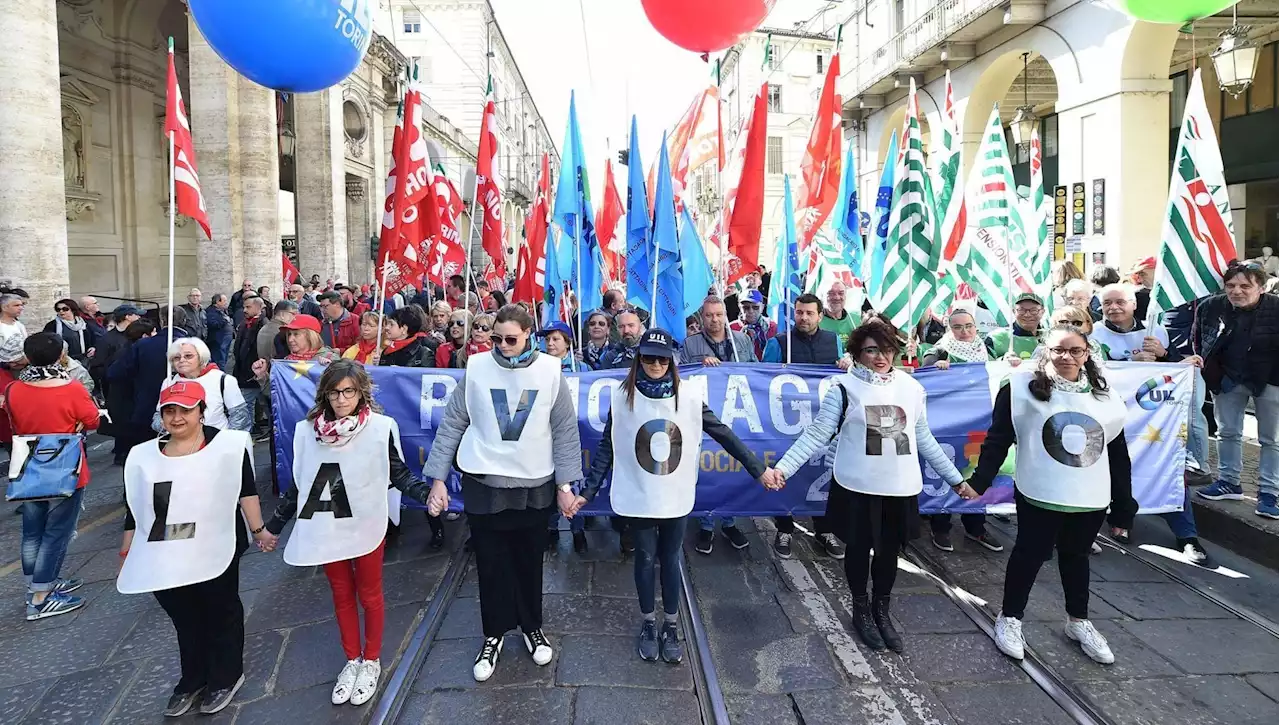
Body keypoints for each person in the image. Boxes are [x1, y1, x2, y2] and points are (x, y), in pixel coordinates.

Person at [772, 319, 973, 652]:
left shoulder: (911, 388)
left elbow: (923, 438)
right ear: (857, 353)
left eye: (887, 349)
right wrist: (783, 469)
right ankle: (861, 607)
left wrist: (956, 480)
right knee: (858, 548)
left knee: (888, 552)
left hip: (899, 486)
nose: (881, 357)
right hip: (858, 486)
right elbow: (818, 434)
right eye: (871, 350)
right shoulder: (844, 388)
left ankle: (882, 608)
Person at [577, 329, 769, 662]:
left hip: (674, 494)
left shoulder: (690, 397)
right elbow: (608, 448)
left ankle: (670, 624)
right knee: (644, 557)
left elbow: (724, 434)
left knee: (670, 558)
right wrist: (587, 493)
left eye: (661, 358)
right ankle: (648, 622)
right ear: (639, 359)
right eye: (648, 357)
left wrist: (758, 469)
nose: (655, 364)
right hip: (639, 494)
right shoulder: (622, 398)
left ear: (671, 361)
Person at [422, 304, 583, 682]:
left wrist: (565, 486)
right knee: (491, 565)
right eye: (496, 338)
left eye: (511, 339)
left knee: (529, 561)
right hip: (485, 485)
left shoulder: (550, 371)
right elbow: (452, 423)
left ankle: (532, 627)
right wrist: (438, 479)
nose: (503, 345)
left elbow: (563, 430)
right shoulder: (477, 368)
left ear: (529, 335)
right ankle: (493, 634)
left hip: (533, 486)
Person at [261, 361, 434, 705]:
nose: (341, 399)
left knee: (369, 594)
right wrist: (274, 527)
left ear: (361, 393)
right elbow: (301, 484)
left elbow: (397, 473)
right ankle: (351, 659)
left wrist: (427, 496)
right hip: (326, 525)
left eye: (348, 392)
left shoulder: (379, 428)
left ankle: (371, 660)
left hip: (365, 523)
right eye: (334, 392)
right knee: (341, 593)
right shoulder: (307, 431)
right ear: (325, 393)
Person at [967, 324, 1136, 665]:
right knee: (1029, 554)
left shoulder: (1105, 397)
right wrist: (980, 481)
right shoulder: (1020, 388)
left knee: (1077, 557)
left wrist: (1123, 508)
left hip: (1089, 494)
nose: (1067, 357)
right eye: (1059, 350)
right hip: (1040, 490)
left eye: (1075, 350)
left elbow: (1117, 454)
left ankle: (1078, 620)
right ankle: (1010, 618)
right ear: (1047, 351)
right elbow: (999, 437)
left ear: (1087, 354)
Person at [117, 382, 269, 716]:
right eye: (169, 410)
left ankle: (226, 676)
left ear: (201, 410)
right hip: (163, 549)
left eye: (185, 409)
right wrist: (127, 552)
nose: (177, 417)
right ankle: (193, 677)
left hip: (215, 544)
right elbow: (135, 507)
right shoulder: (143, 455)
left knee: (219, 609)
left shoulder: (228, 446)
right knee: (184, 616)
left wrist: (259, 530)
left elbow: (246, 491)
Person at [3, 332, 101, 620]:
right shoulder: (71, 388)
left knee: (32, 530)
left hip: (28, 465)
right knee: (56, 532)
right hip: (64, 465)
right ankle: (42, 597)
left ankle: (36, 585)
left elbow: (15, 420)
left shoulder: (14, 389)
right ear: (61, 355)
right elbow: (92, 419)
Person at [757, 294, 850, 558]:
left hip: (826, 425)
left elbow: (846, 378)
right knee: (785, 473)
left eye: (809, 313)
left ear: (820, 315)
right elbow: (762, 380)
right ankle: (784, 528)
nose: (804, 318)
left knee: (823, 476)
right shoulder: (779, 343)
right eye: (799, 312)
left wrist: (846, 364)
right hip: (785, 425)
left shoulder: (833, 342)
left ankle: (824, 529)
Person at [1192, 263, 1280, 519]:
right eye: (1231, 285)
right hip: (1227, 378)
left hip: (1270, 379)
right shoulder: (1211, 306)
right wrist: (1210, 369)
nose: (1237, 291)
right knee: (1227, 432)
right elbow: (1199, 338)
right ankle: (1229, 481)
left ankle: (1269, 492)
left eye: (1245, 286)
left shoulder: (1276, 308)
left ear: (1261, 288)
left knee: (1271, 439)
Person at [920, 308, 1004, 553]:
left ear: (976, 327)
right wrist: (937, 367)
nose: (964, 331)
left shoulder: (986, 349)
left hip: (980, 424)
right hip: (948, 425)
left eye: (968, 326)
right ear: (949, 329)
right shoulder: (939, 349)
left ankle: (975, 525)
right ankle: (941, 526)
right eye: (957, 327)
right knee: (944, 472)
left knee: (976, 471)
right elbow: (925, 371)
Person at [680, 296, 757, 553]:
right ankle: (705, 524)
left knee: (732, 468)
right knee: (707, 468)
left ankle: (729, 521)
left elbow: (756, 371)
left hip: (736, 415)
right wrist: (699, 366)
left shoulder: (742, 341)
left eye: (718, 315)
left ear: (726, 315)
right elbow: (681, 373)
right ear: (702, 317)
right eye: (709, 315)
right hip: (705, 417)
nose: (714, 320)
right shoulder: (691, 344)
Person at [110, 305, 191, 456]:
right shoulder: (194, 346)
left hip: (150, 408)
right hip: (175, 411)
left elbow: (116, 373)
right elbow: (116, 373)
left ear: (161, 320)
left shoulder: (144, 345)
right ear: (185, 321)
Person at [158, 337, 250, 432]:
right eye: (176, 357)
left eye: (188, 356)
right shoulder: (169, 382)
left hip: (216, 441)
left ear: (201, 357)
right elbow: (158, 416)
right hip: (179, 443)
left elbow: (240, 417)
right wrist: (164, 426)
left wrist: (226, 442)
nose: (181, 360)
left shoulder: (223, 380)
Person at [1092, 284, 1173, 363]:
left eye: (1120, 302)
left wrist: (1164, 353)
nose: (1113, 307)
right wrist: (1130, 361)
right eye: (1107, 303)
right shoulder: (1094, 333)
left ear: (1134, 305)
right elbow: (1095, 368)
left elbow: (1179, 364)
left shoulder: (1154, 329)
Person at [231, 296, 266, 438]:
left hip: (255, 372)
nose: (244, 310)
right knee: (248, 404)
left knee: (250, 404)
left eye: (248, 307)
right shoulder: (245, 324)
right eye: (244, 307)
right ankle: (250, 431)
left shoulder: (263, 326)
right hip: (243, 372)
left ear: (259, 308)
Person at [88, 304, 141, 393]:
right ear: (128, 317)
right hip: (117, 388)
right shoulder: (106, 339)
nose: (139, 317)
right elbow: (98, 366)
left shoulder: (138, 334)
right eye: (136, 315)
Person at [987, 292, 1045, 362]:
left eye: (1034, 310)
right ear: (1014, 311)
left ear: (1042, 312)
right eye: (1021, 310)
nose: (1027, 315)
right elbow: (983, 365)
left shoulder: (1050, 337)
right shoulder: (996, 338)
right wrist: (1003, 360)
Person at [44, 297, 98, 364]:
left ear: (72, 310)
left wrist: (93, 347)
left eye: (65, 309)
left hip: (84, 359)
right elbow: (47, 342)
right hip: (63, 360)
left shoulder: (83, 323)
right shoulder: (52, 325)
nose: (61, 311)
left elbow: (93, 338)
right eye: (58, 309)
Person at [729, 290, 776, 360]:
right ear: (740, 307)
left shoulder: (772, 327)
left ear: (762, 307)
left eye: (755, 307)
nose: (751, 311)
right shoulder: (731, 328)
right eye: (746, 307)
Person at [819, 282, 859, 350]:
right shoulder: (815, 320)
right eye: (831, 293)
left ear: (846, 296)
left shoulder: (855, 320)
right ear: (823, 296)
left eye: (841, 293)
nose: (836, 297)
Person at [205, 294, 234, 369]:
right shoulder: (211, 311)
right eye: (224, 301)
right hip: (218, 341)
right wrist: (225, 320)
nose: (226, 303)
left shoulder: (222, 310)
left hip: (225, 339)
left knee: (224, 360)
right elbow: (213, 324)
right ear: (218, 302)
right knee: (219, 361)